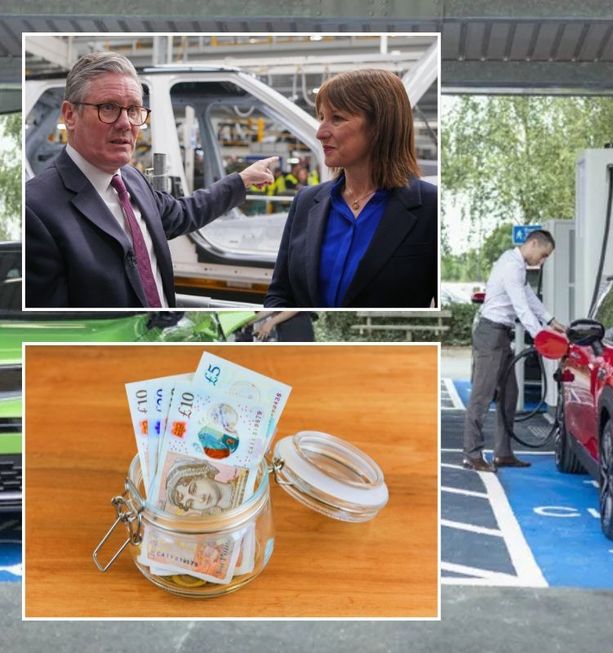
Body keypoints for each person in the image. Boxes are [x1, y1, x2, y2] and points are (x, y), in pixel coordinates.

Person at [25, 51, 277, 308]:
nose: (125, 123)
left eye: (134, 110)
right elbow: (52, 329)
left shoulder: (133, 181)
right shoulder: (35, 209)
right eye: (108, 108)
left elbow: (182, 213)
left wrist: (242, 180)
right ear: (70, 115)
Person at [264, 68, 437, 308]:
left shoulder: (431, 208)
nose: (320, 132)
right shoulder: (306, 202)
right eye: (321, 117)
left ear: (380, 126)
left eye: (337, 118)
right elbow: (280, 294)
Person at [462, 230, 566, 472]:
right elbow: (520, 306)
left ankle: (503, 453)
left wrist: (551, 321)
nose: (541, 262)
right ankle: (472, 454)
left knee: (510, 394)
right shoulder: (511, 265)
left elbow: (529, 298)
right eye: (543, 255)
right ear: (533, 243)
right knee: (482, 395)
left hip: (501, 334)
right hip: (491, 334)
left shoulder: (517, 267)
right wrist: (541, 335)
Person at [165, 458, 238, 516]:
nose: (200, 499)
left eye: (193, 489)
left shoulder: (246, 480)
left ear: (202, 473)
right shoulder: (213, 526)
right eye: (190, 503)